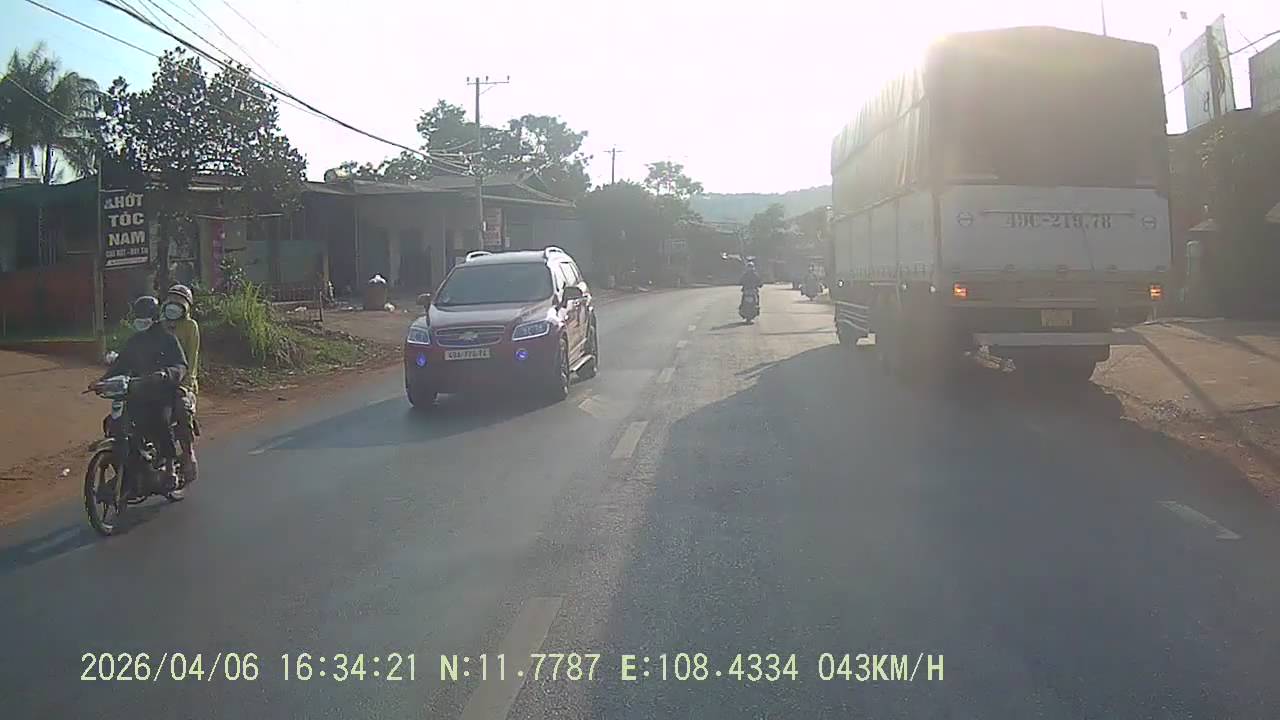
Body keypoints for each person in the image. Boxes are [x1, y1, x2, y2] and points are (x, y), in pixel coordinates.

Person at [97, 295, 188, 494]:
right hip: (135, 394)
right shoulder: (134, 342)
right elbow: (120, 365)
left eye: (144, 316)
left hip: (161, 396)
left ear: (154, 318)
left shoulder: (168, 339)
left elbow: (181, 365)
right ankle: (127, 470)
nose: (140, 320)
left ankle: (170, 469)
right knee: (112, 424)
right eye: (138, 316)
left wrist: (165, 374)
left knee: (161, 422)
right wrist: (101, 382)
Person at [162, 284, 200, 485]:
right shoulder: (159, 326)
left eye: (179, 302)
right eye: (171, 300)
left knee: (181, 409)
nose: (174, 305)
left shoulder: (190, 327)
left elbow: (192, 359)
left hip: (183, 383)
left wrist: (186, 384)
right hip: (161, 381)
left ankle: (188, 453)